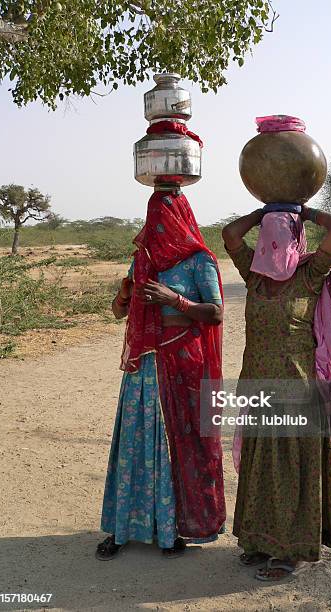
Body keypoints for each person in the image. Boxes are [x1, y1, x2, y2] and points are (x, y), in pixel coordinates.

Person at [96, 189, 226, 560]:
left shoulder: (199, 260)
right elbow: (119, 313)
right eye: (152, 215)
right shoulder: (143, 261)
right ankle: (124, 527)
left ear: (180, 217)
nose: (156, 224)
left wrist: (174, 299)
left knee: (181, 445)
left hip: (183, 363)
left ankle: (175, 528)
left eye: (164, 215)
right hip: (144, 369)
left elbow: (215, 313)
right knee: (137, 444)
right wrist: (123, 297)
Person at [222, 203, 331, 581]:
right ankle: (258, 542)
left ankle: (290, 552)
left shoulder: (310, 274)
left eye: (281, 236)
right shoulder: (254, 277)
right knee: (262, 467)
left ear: (294, 241)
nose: (273, 244)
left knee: (292, 470)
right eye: (267, 237)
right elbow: (230, 235)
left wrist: (303, 213)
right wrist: (264, 212)